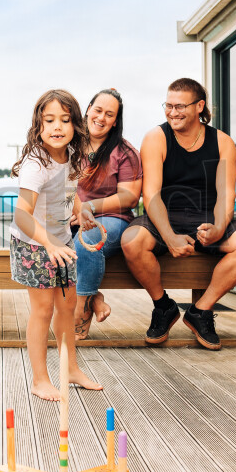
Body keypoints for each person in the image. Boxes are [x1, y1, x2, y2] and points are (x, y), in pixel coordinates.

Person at [121, 78, 236, 350]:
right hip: (164, 214)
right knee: (131, 241)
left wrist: (220, 227)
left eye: (180, 106)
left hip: (208, 216)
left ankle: (201, 311)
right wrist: (170, 237)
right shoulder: (156, 138)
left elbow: (225, 194)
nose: (172, 112)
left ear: (199, 106)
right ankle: (163, 307)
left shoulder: (222, 142)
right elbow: (150, 195)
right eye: (168, 105)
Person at [9, 89, 103, 400]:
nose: (57, 127)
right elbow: (22, 215)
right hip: (34, 245)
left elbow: (69, 191)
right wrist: (47, 243)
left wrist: (81, 210)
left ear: (76, 125)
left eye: (64, 119)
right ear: (38, 126)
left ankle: (70, 369)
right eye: (49, 120)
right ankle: (39, 379)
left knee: (67, 306)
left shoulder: (73, 157)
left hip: (61, 242)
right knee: (43, 309)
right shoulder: (37, 163)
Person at [71, 89, 142, 340]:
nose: (101, 117)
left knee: (87, 239)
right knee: (49, 244)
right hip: (71, 217)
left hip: (112, 219)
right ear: (88, 109)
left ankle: (80, 312)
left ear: (115, 121)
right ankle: (94, 298)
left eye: (109, 114)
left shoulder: (125, 152)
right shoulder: (70, 142)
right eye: (98, 110)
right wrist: (75, 208)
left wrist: (89, 208)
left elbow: (129, 197)